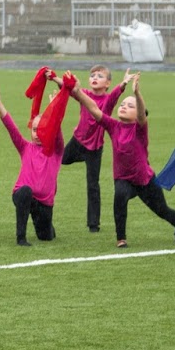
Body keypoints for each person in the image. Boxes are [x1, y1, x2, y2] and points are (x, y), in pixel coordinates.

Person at [68, 71, 175, 247]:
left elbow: (141, 116)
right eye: (122, 104)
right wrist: (78, 92)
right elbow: (93, 109)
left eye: (129, 106)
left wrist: (137, 94)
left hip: (145, 180)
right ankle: (121, 238)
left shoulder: (139, 129)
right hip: (123, 179)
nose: (123, 106)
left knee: (162, 210)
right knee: (120, 195)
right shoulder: (113, 126)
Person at [0, 73, 73, 246]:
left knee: (46, 236)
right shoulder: (25, 147)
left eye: (42, 129)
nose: (38, 133)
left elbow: (56, 125)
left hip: (44, 203)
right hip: (23, 195)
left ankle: (47, 227)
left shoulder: (56, 150)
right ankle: (21, 238)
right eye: (35, 129)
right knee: (25, 191)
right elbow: (11, 127)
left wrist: (53, 106)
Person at [61, 64, 123, 233]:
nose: (95, 78)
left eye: (100, 76)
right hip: (77, 141)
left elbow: (116, 95)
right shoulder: (85, 94)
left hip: (95, 148)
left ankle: (93, 224)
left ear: (108, 83)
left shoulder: (107, 101)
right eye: (92, 75)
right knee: (58, 159)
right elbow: (69, 88)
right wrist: (54, 78)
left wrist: (123, 85)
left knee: (93, 185)